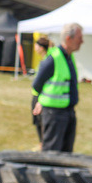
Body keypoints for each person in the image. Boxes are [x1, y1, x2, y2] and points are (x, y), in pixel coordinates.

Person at [32, 23, 83, 152]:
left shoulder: (69, 57)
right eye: (79, 38)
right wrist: (39, 101)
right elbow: (37, 84)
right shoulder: (53, 59)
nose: (82, 41)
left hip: (67, 112)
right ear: (68, 39)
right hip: (54, 114)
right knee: (51, 154)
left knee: (66, 155)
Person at [30, 37, 51, 143]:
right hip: (36, 94)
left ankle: (43, 144)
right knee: (37, 123)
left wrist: (40, 100)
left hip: (41, 96)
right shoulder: (44, 60)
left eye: (36, 46)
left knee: (41, 122)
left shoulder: (48, 61)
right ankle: (41, 144)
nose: (35, 48)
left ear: (42, 48)